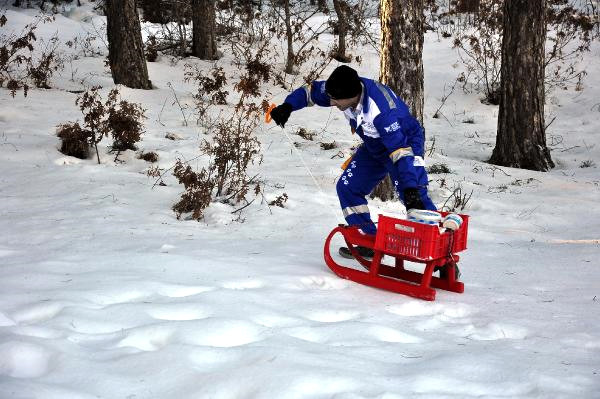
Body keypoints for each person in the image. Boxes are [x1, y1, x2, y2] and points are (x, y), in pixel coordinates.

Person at [270, 65, 436, 259]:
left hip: (404, 143)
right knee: (348, 187)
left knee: (414, 196)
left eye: (335, 99)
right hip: (375, 146)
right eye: (330, 97)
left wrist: (409, 186)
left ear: (352, 95)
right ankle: (369, 242)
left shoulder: (382, 111)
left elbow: (400, 151)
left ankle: (439, 254)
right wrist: (288, 106)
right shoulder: (342, 88)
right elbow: (312, 92)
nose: (331, 102)